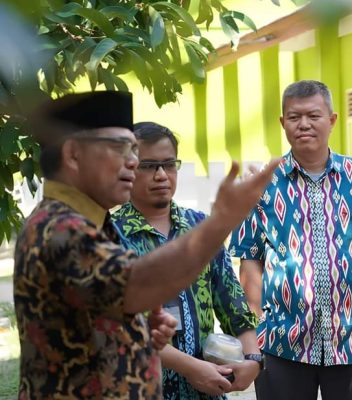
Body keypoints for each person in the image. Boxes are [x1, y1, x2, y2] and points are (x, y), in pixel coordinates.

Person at [13, 91, 278, 398]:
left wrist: (140, 332)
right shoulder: (59, 229)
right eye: (121, 148)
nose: (132, 162)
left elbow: (100, 314)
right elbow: (137, 286)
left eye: (134, 150)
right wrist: (220, 223)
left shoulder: (92, 223)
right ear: (73, 154)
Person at [230, 80, 352, 400]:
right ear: (283, 123)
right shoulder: (261, 184)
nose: (304, 124)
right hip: (282, 343)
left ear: (332, 120)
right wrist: (258, 329)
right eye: (294, 117)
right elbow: (249, 259)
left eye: (314, 115)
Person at [112, 122, 262, 399]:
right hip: (141, 388)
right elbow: (120, 325)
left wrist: (252, 357)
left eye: (169, 164)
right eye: (148, 166)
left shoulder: (200, 226)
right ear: (129, 167)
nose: (161, 175)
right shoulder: (111, 234)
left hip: (206, 389)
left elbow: (231, 300)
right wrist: (191, 368)